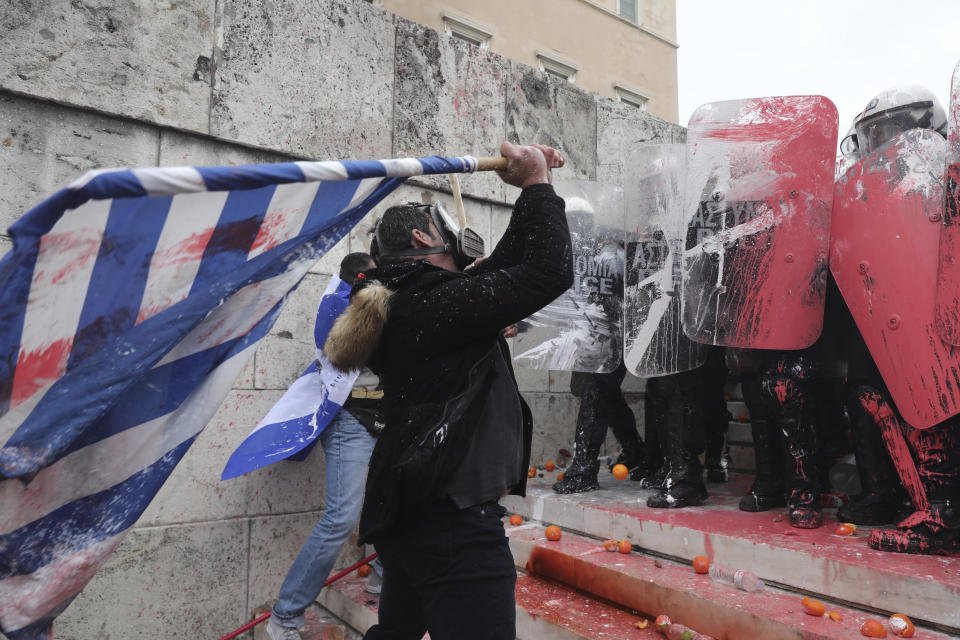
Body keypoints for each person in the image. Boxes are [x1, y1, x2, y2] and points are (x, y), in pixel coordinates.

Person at [322, 141, 570, 640]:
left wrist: (533, 188)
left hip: (417, 508)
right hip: (452, 521)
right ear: (421, 235)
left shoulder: (413, 299)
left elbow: (505, 264)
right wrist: (537, 185)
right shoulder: (434, 302)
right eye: (445, 228)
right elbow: (548, 271)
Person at [266, 253, 384, 640]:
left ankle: (383, 576)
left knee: (397, 500)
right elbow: (344, 354)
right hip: (351, 418)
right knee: (340, 519)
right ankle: (284, 617)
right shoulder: (337, 303)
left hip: (391, 415)